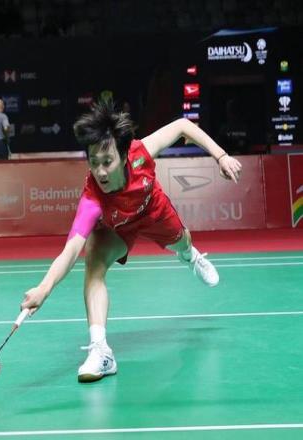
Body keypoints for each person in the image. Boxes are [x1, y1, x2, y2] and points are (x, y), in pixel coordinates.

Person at [20, 100, 242, 383]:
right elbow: (70, 250)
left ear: (124, 156)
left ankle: (190, 256)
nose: (100, 171)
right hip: (116, 227)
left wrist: (220, 156)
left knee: (183, 241)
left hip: (153, 211)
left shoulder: (140, 152)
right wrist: (44, 288)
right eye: (94, 162)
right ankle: (101, 350)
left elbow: (182, 125)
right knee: (93, 263)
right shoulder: (92, 199)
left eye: (107, 161)